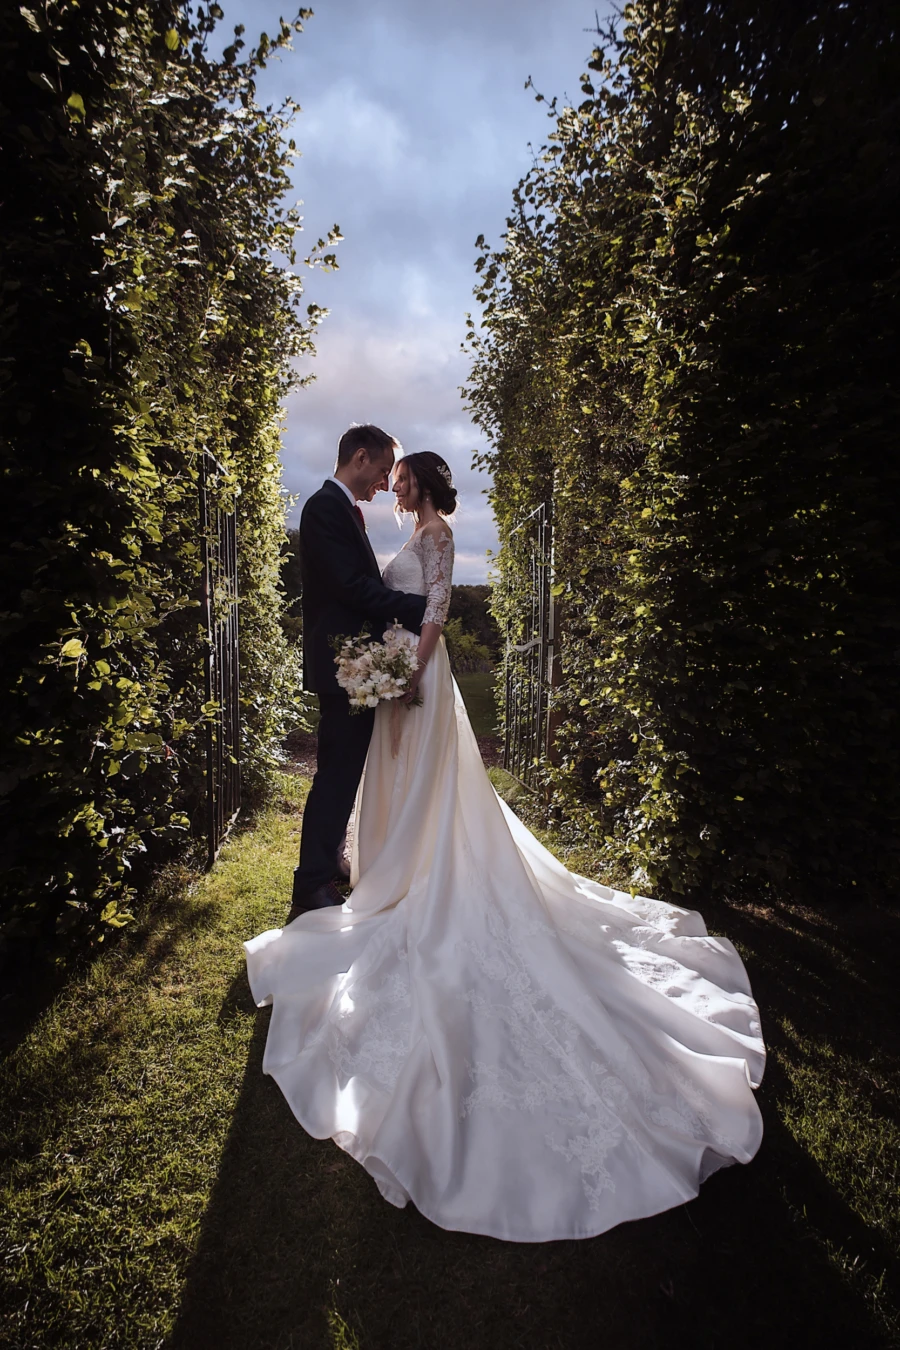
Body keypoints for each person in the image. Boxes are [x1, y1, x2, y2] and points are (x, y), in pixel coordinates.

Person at [246, 451, 765, 1243]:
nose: (392, 484)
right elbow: (389, 600)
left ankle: (418, 882)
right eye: (386, 475)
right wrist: (386, 665)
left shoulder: (440, 533)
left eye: (400, 476)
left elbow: (436, 610)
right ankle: (391, 875)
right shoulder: (399, 528)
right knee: (393, 790)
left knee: (426, 791)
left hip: (417, 673)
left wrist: (409, 671)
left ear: (419, 481)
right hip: (395, 671)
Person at [291, 425, 427, 918]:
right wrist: (419, 609)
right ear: (362, 457)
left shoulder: (342, 509)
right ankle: (309, 887)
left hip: (353, 664)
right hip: (341, 666)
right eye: (383, 471)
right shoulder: (324, 508)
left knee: (343, 772)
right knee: (336, 775)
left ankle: (327, 863)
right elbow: (349, 586)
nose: (384, 484)